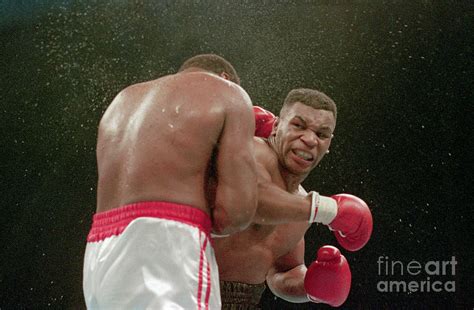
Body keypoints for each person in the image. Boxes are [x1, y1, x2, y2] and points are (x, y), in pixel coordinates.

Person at [83, 54, 258, 309]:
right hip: (166, 244)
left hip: (100, 250)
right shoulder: (229, 93)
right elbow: (235, 214)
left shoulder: (123, 99)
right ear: (226, 77)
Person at [214, 89, 373, 308]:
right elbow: (254, 199)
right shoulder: (250, 151)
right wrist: (328, 210)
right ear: (277, 126)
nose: (309, 139)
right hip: (183, 293)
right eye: (298, 125)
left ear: (329, 144)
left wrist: (311, 286)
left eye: (321, 134)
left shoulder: (301, 204)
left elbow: (282, 271)